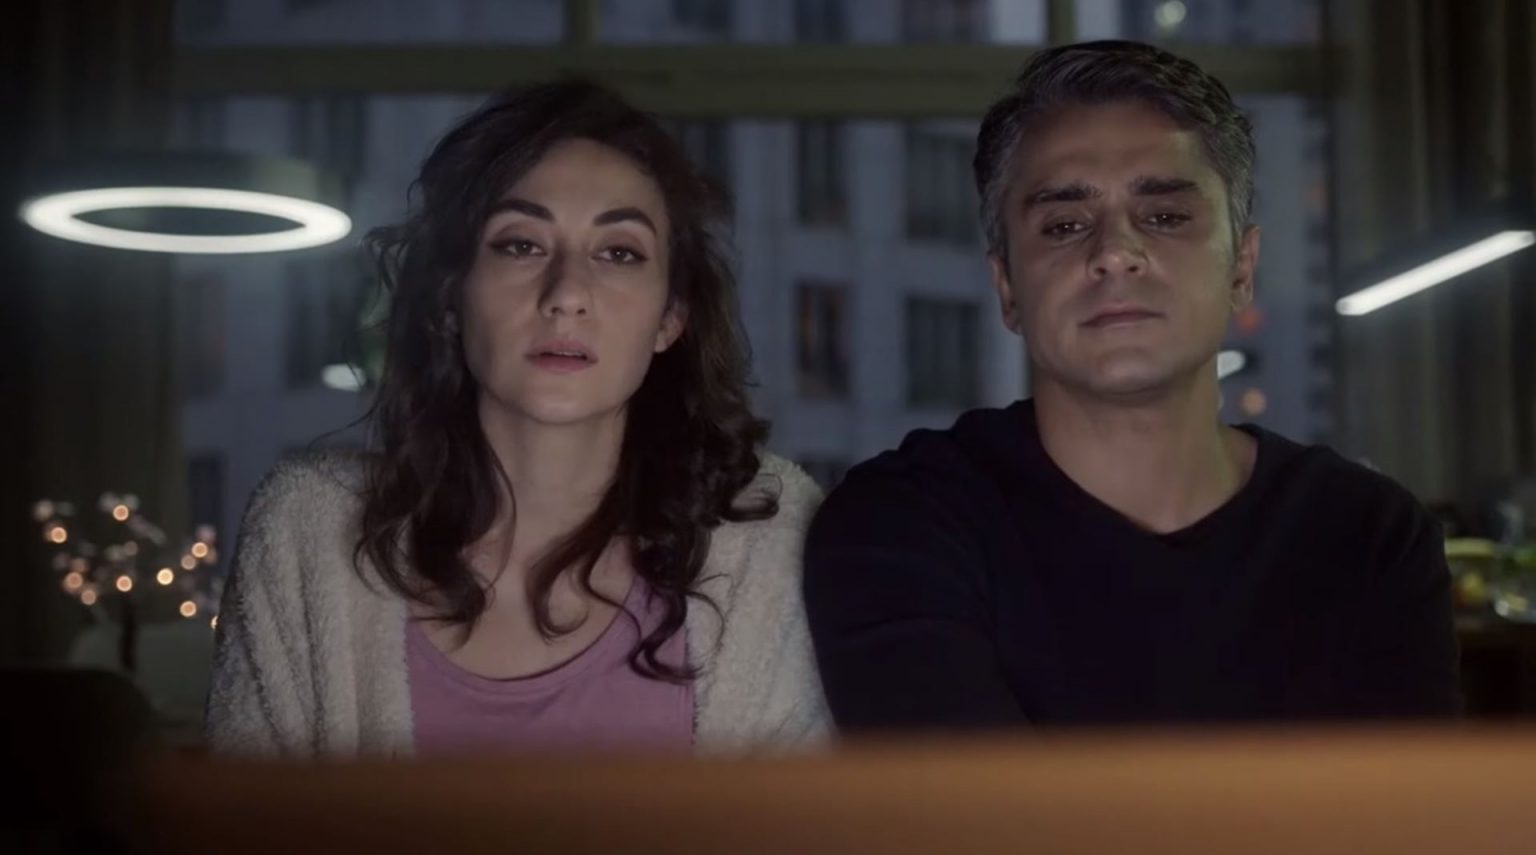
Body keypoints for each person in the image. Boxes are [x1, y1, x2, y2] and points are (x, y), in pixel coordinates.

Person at [803, 41, 1461, 731]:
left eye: (1165, 216)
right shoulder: (899, 527)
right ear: (1008, 289)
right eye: (1064, 225)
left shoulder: (1367, 535)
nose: (1115, 252)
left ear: (1242, 268)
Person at [206, 80, 829, 757]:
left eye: (619, 252)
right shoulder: (307, 531)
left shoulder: (767, 539)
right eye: (521, 244)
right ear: (451, 297)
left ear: (670, 317)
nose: (567, 294)